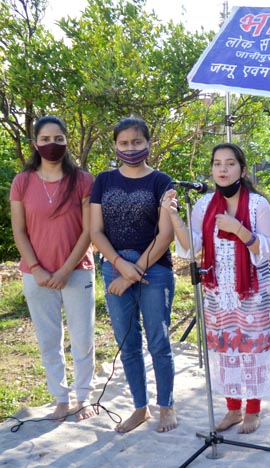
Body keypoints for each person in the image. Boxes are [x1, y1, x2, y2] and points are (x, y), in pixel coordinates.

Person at [162, 143, 270, 434]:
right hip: (218, 292)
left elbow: (268, 249)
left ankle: (253, 411)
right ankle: (233, 409)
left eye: (230, 164)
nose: (223, 169)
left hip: (253, 291)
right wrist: (174, 217)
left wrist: (238, 228)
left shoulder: (257, 205)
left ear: (242, 169)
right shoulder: (203, 205)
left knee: (252, 350)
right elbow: (190, 247)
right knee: (226, 348)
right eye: (217, 164)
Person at [89, 117, 177, 433]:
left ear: (148, 143)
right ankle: (140, 407)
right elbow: (95, 231)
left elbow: (166, 234)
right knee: (128, 345)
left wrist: (132, 272)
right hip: (113, 265)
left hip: (154, 269)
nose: (131, 148)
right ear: (115, 146)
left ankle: (166, 406)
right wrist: (118, 264)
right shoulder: (103, 181)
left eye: (137, 142)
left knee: (158, 340)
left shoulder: (161, 181)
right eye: (124, 143)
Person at [10, 116, 96, 421]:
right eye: (45, 139)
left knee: (82, 337)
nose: (52, 145)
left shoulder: (84, 180)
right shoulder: (22, 182)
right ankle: (60, 398)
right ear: (35, 144)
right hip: (36, 275)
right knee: (49, 339)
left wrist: (64, 270)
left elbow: (89, 231)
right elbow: (19, 231)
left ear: (66, 142)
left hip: (77, 271)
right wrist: (37, 268)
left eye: (58, 139)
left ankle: (83, 396)